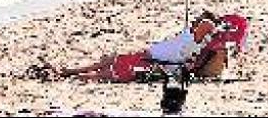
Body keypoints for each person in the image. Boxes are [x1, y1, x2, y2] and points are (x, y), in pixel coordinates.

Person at [52, 14, 219, 83]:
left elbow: (210, 26)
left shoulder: (197, 41)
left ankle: (73, 75)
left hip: (153, 63)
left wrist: (216, 25)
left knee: (109, 72)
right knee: (111, 61)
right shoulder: (191, 36)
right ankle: (71, 72)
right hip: (148, 55)